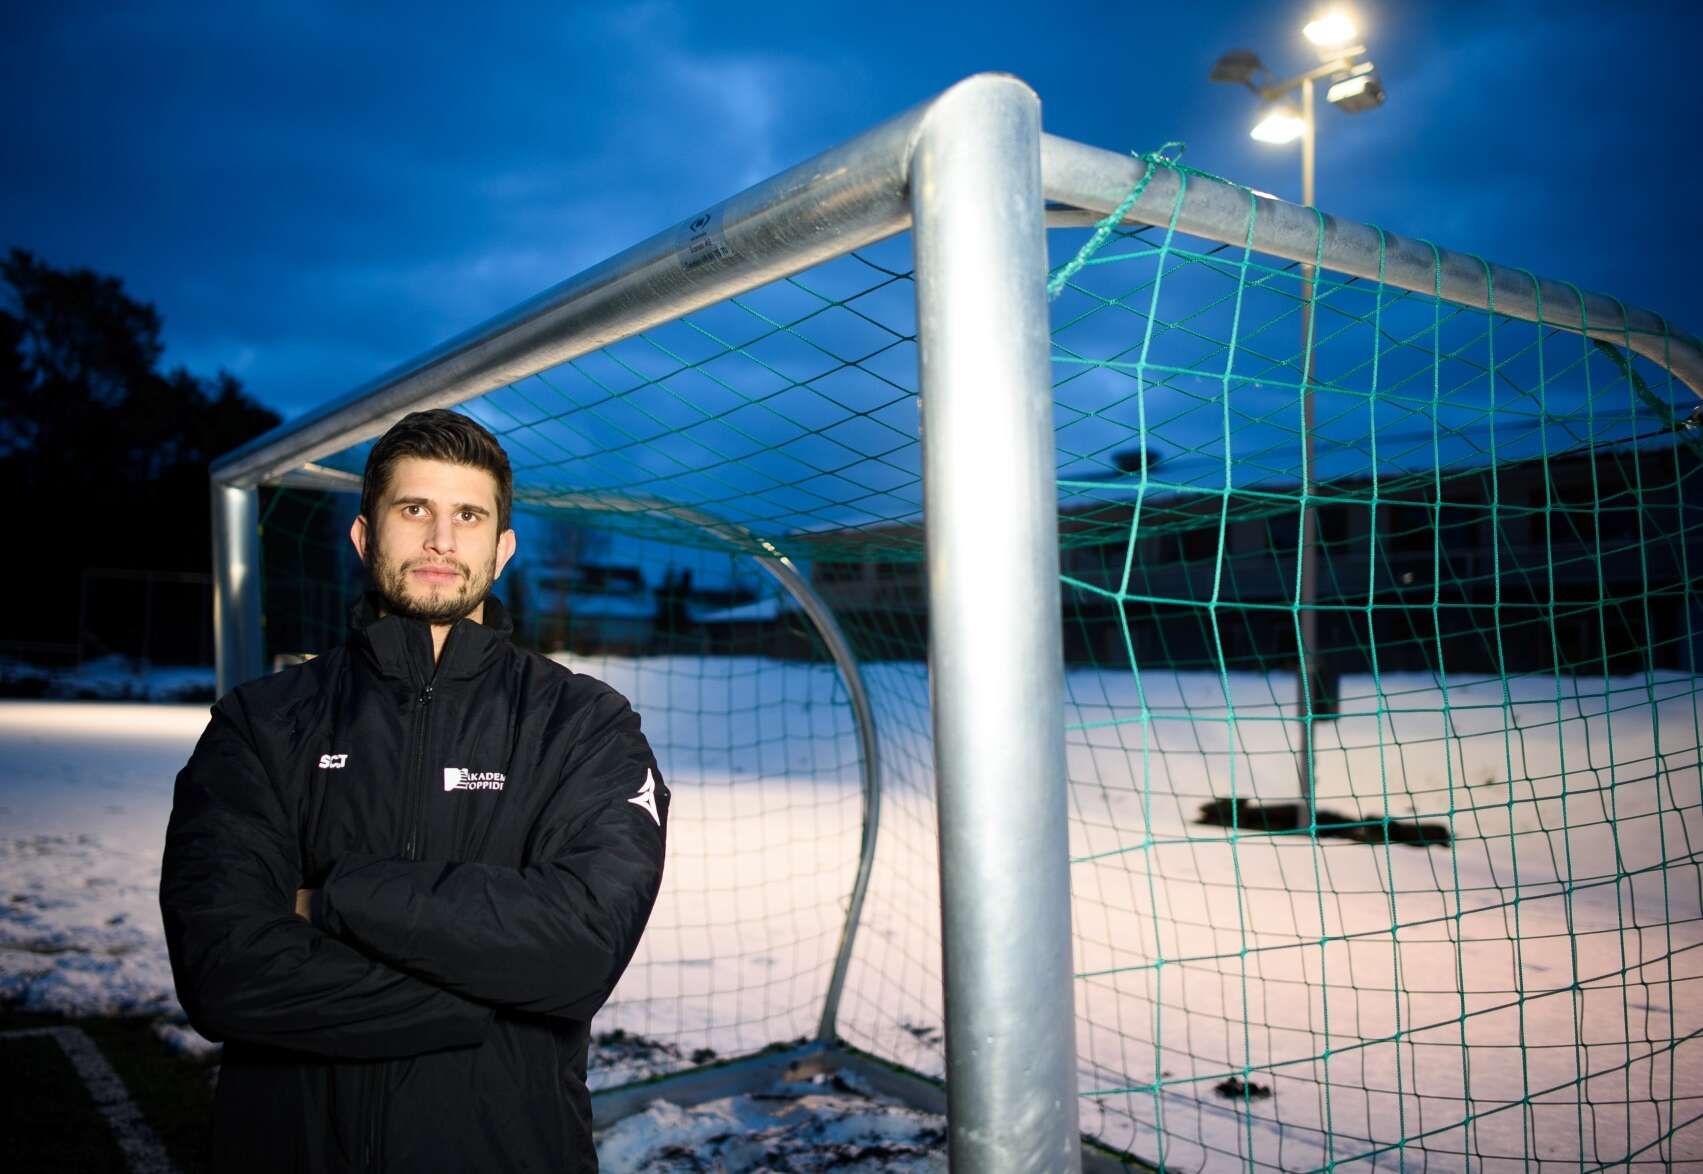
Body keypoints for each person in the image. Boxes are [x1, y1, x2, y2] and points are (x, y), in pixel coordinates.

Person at [160, 409, 668, 1172]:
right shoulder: (261, 723)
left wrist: (331, 899)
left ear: (502, 549)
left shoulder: (584, 725)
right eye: (413, 509)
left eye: (468, 516)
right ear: (365, 536)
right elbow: (223, 973)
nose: (440, 540)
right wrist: (491, 999)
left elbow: (581, 948)